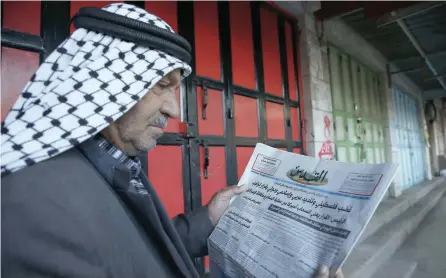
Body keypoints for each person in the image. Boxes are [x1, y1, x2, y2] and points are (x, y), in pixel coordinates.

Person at [1, 3, 343, 278]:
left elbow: (136, 253)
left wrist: (208, 219)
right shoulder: (34, 210)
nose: (175, 109)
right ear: (103, 84)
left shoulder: (107, 161)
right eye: (161, 85)